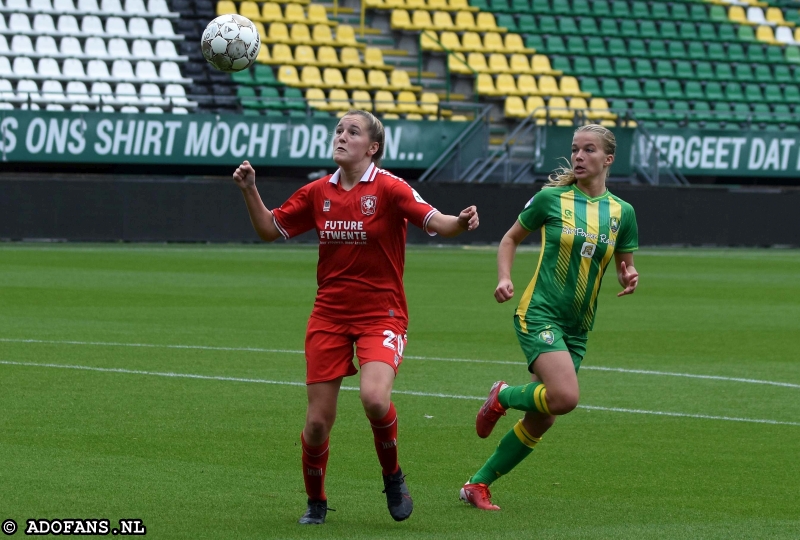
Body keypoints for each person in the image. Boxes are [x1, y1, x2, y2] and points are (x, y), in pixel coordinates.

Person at [231, 109, 480, 525]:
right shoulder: (316, 192)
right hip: (329, 315)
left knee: (374, 398)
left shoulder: (390, 188)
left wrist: (460, 221)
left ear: (373, 147)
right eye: (339, 130)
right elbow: (269, 229)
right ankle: (316, 502)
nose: (342, 136)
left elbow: (435, 221)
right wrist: (249, 190)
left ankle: (393, 476)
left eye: (353, 131)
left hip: (381, 314)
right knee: (315, 424)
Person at [459, 124, 639, 510]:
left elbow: (625, 262)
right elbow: (510, 239)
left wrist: (629, 274)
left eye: (589, 150)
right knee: (564, 397)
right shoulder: (551, 199)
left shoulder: (623, 212)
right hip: (540, 313)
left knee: (544, 417)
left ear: (608, 159)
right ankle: (502, 396)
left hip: (578, 326)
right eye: (575, 149)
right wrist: (504, 278)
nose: (578, 156)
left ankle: (477, 484)